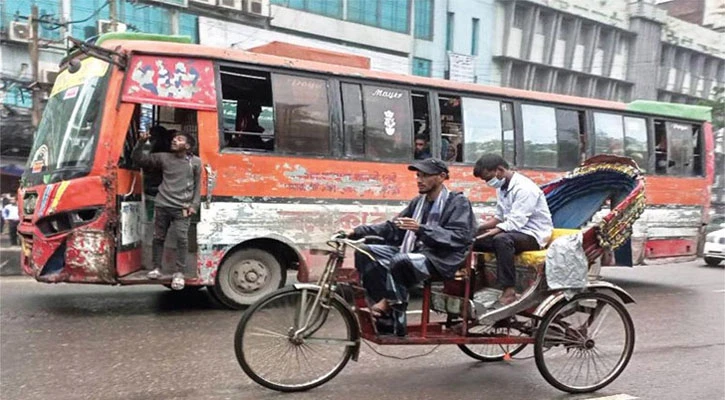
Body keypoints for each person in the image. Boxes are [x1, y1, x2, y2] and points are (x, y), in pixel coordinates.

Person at [345, 158, 476, 336]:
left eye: (425, 176)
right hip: (416, 251)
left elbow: (459, 237)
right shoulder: (418, 203)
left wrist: (421, 229)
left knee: (401, 261)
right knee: (365, 251)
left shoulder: (457, 202)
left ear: (441, 177)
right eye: (418, 175)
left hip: (442, 258)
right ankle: (385, 314)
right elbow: (394, 227)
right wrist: (357, 231)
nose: (419, 180)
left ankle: (390, 308)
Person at [472, 154, 553, 306]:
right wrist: (477, 229)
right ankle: (472, 284)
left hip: (533, 235)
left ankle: (509, 291)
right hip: (512, 231)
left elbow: (516, 222)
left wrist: (492, 232)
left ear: (500, 170)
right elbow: (499, 217)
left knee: (501, 240)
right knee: (471, 240)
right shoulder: (502, 188)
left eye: (488, 178)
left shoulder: (525, 188)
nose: (488, 183)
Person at [133, 131, 201, 290]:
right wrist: (141, 143)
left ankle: (179, 273)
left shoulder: (195, 162)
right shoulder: (163, 157)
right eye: (174, 138)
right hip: (162, 204)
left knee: (182, 239)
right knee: (158, 237)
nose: (174, 141)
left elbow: (198, 186)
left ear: (188, 146)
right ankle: (156, 268)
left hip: (182, 207)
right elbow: (139, 159)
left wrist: (194, 205)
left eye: (179, 139)